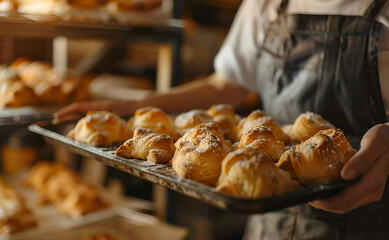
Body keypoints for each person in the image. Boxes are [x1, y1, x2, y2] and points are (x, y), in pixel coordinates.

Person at [55, 0, 389, 239]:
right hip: (266, 206)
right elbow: (225, 85)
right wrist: (132, 108)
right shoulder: (268, 4)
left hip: (371, 219)